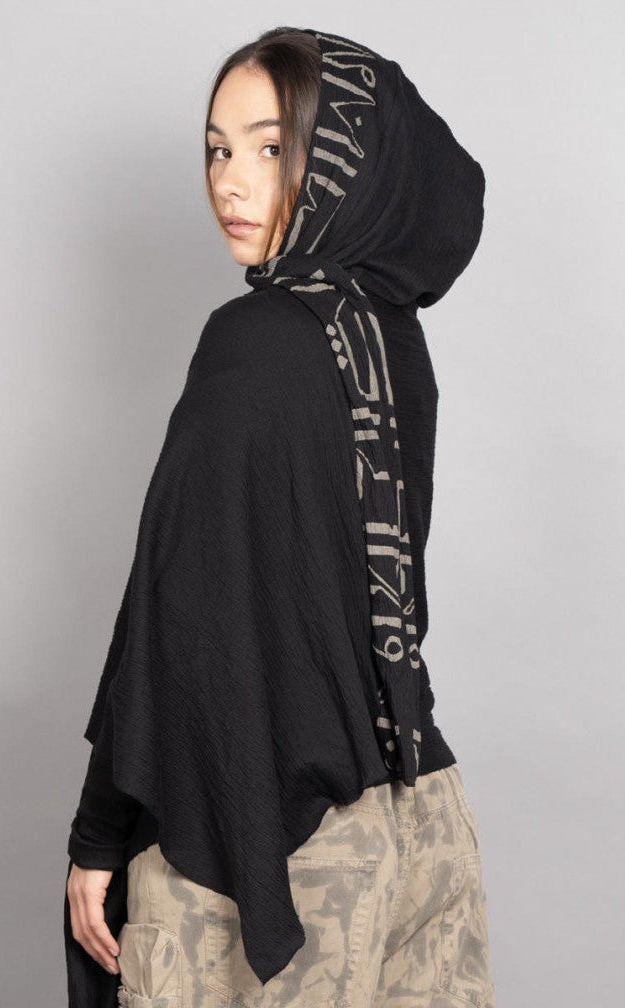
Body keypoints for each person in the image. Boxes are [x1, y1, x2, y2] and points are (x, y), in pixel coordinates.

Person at [63, 25, 497, 1008]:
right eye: (218, 149)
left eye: (270, 146)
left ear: (346, 162)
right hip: (419, 814)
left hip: (273, 850)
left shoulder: (254, 340)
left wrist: (100, 834)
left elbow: (172, 610)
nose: (231, 180)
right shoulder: (393, 342)